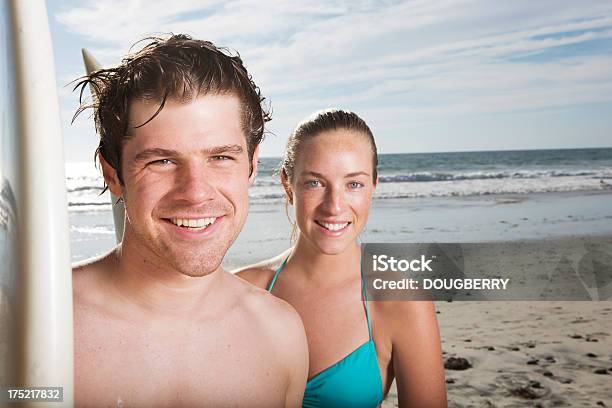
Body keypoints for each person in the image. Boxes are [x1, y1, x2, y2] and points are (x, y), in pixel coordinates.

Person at [71, 35, 308, 407]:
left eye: (221, 158)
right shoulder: (29, 320)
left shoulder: (282, 334)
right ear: (113, 174)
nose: (196, 193)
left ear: (252, 165)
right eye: (161, 161)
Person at [236, 109, 447, 407]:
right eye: (315, 183)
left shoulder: (401, 301)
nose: (334, 206)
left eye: (354, 184)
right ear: (288, 184)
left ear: (374, 186)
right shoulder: (241, 291)